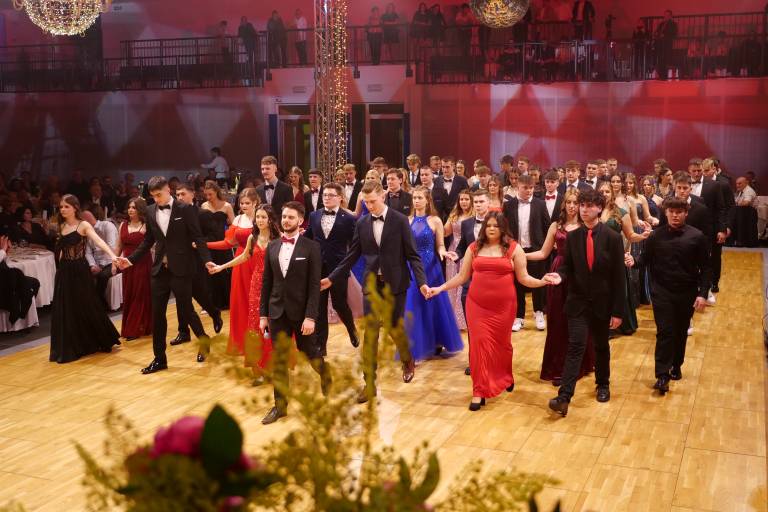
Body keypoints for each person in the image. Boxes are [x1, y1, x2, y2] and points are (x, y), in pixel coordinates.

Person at [428, 212, 552, 410]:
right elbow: (461, 277)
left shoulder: (514, 248)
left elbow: (524, 278)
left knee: (502, 345)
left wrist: (542, 282)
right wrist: (440, 288)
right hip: (476, 305)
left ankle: (505, 376)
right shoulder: (474, 248)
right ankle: (479, 391)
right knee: (478, 346)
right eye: (488, 225)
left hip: (504, 307)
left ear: (503, 228)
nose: (491, 229)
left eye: (496, 225)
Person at [322, 181, 429, 403]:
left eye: (373, 201)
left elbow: (412, 255)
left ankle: (407, 359)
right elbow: (352, 255)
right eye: (366, 203)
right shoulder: (362, 223)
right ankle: (369, 383)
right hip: (372, 285)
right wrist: (332, 278)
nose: (369, 206)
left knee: (394, 327)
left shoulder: (400, 220)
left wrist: (422, 283)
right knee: (370, 334)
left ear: (383, 196)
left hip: (396, 284)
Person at [117, 176, 214, 374]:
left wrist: (206, 261)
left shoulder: (185, 209)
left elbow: (198, 237)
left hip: (181, 268)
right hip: (159, 270)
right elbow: (148, 241)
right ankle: (159, 359)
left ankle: (204, 341)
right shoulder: (150, 210)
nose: (156, 199)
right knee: (157, 315)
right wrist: (131, 260)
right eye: (153, 196)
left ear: (168, 189)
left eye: (158, 195)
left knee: (186, 310)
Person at [545, 189, 628, 417]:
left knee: (601, 346)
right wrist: (559, 276)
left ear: (599, 208)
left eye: (589, 206)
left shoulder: (612, 237)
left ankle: (603, 384)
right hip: (578, 302)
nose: (583, 209)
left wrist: (618, 311)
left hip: (603, 303)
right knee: (576, 346)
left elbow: (619, 277)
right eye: (582, 205)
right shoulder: (573, 237)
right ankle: (564, 397)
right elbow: (567, 267)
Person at [626, 197, 709, 395]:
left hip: (687, 291)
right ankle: (662, 375)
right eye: (671, 212)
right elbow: (644, 259)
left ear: (686, 213)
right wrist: (633, 261)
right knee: (665, 332)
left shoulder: (697, 237)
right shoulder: (656, 236)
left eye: (679, 212)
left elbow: (706, 268)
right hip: (662, 291)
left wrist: (703, 294)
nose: (675, 215)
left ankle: (676, 365)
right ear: (666, 213)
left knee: (680, 331)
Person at [260, 202, 329, 424]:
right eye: (284, 216)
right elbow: (267, 283)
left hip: (302, 314)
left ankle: (325, 374)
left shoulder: (311, 247)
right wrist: (263, 315)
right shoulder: (272, 247)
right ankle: (280, 406)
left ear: (300, 221)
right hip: (277, 312)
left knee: (310, 353)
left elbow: (314, 286)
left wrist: (310, 317)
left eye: (291, 217)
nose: (286, 220)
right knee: (279, 360)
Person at [526, 189, 594, 385]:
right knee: (557, 321)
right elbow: (543, 253)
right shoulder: (556, 226)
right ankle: (558, 367)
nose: (572, 206)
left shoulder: (587, 226)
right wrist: (520, 254)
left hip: (580, 274)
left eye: (576, 202)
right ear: (564, 204)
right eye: (569, 202)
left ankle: (579, 365)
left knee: (579, 322)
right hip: (558, 274)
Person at [209, 204, 281, 382]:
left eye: (263, 217)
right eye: (258, 217)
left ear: (270, 219)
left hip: (274, 285)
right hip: (256, 285)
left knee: (274, 325)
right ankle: (260, 369)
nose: (260, 220)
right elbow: (243, 257)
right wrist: (221, 267)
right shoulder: (252, 237)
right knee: (256, 325)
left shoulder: (279, 238)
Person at [50, 194, 121, 363]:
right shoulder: (62, 226)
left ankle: (97, 339)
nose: (62, 209)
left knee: (86, 304)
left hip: (79, 270)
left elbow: (99, 242)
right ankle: (73, 345)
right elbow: (61, 252)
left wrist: (113, 256)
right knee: (66, 308)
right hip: (64, 271)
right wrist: (59, 271)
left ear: (75, 208)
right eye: (61, 207)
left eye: (66, 206)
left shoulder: (83, 225)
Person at [405, 186, 463, 361]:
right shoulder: (407, 220)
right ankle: (416, 346)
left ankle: (437, 341)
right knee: (414, 304)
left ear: (427, 200)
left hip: (431, 266)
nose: (416, 201)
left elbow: (440, 245)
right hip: (412, 267)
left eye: (420, 198)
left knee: (434, 303)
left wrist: (444, 253)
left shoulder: (435, 220)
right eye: (414, 198)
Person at [303, 183, 360, 350]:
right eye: (325, 195)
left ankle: (351, 328)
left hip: (338, 269)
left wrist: (345, 265)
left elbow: (355, 246)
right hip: (317, 268)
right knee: (319, 307)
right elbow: (308, 238)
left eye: (331, 195)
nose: (326, 198)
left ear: (340, 198)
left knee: (339, 303)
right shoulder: (314, 215)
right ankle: (321, 346)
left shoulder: (348, 219)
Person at [206, 188, 260, 355]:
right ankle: (242, 343)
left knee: (257, 302)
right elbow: (228, 243)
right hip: (240, 262)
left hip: (258, 261)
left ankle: (261, 343)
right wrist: (205, 245)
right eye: (241, 203)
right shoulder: (238, 219)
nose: (243, 206)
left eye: (247, 203)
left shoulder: (262, 218)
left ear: (255, 203)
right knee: (240, 301)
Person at [597, 181, 650, 336]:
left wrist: (643, 236)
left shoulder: (621, 212)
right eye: (601, 191)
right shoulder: (592, 211)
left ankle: (617, 324)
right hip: (596, 257)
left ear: (612, 194)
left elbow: (630, 235)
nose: (604, 194)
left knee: (616, 290)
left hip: (615, 257)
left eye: (607, 191)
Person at [172, 185, 224, 343]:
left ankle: (214, 313)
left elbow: (217, 235)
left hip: (198, 260)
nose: (180, 197)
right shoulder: (174, 214)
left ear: (192, 194)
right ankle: (183, 332)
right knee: (182, 297)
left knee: (199, 294)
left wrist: (200, 243)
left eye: (183, 194)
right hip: (179, 261)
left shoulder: (203, 214)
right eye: (177, 195)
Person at [503, 175, 550, 332]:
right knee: (517, 284)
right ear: (518, 187)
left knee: (537, 282)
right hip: (515, 249)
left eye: (531, 188)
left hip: (536, 250)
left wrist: (544, 247)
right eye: (525, 188)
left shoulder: (540, 204)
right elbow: (505, 228)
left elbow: (547, 226)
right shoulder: (508, 205)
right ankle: (519, 316)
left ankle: (539, 312)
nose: (529, 191)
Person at [114, 198, 152, 341]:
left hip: (143, 264)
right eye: (129, 207)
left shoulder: (146, 225)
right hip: (126, 265)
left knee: (139, 294)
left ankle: (133, 329)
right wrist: (114, 262)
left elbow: (151, 245)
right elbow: (119, 246)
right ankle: (139, 325)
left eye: (134, 207)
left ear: (140, 210)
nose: (130, 210)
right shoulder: (123, 225)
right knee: (129, 294)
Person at [200, 181, 235, 311]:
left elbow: (233, 224)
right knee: (210, 272)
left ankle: (228, 301)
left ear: (216, 192)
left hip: (223, 242)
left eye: (210, 194)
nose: (208, 197)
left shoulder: (226, 206)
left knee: (224, 270)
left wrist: (229, 237)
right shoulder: (204, 205)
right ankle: (212, 303)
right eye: (206, 195)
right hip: (209, 242)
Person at [443, 189, 473, 331]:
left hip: (467, 251)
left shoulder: (474, 216)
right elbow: (445, 232)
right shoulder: (454, 214)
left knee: (463, 284)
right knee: (452, 283)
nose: (463, 202)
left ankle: (463, 320)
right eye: (461, 199)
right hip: (453, 250)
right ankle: (452, 320)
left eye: (466, 199)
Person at [82, 208, 118, 309]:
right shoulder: (87, 232)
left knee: (102, 276)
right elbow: (88, 252)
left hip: (113, 261)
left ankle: (99, 304)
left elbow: (111, 248)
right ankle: (86, 303)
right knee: (81, 273)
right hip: (97, 263)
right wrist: (92, 265)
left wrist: (101, 266)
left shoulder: (107, 226)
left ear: (86, 220)